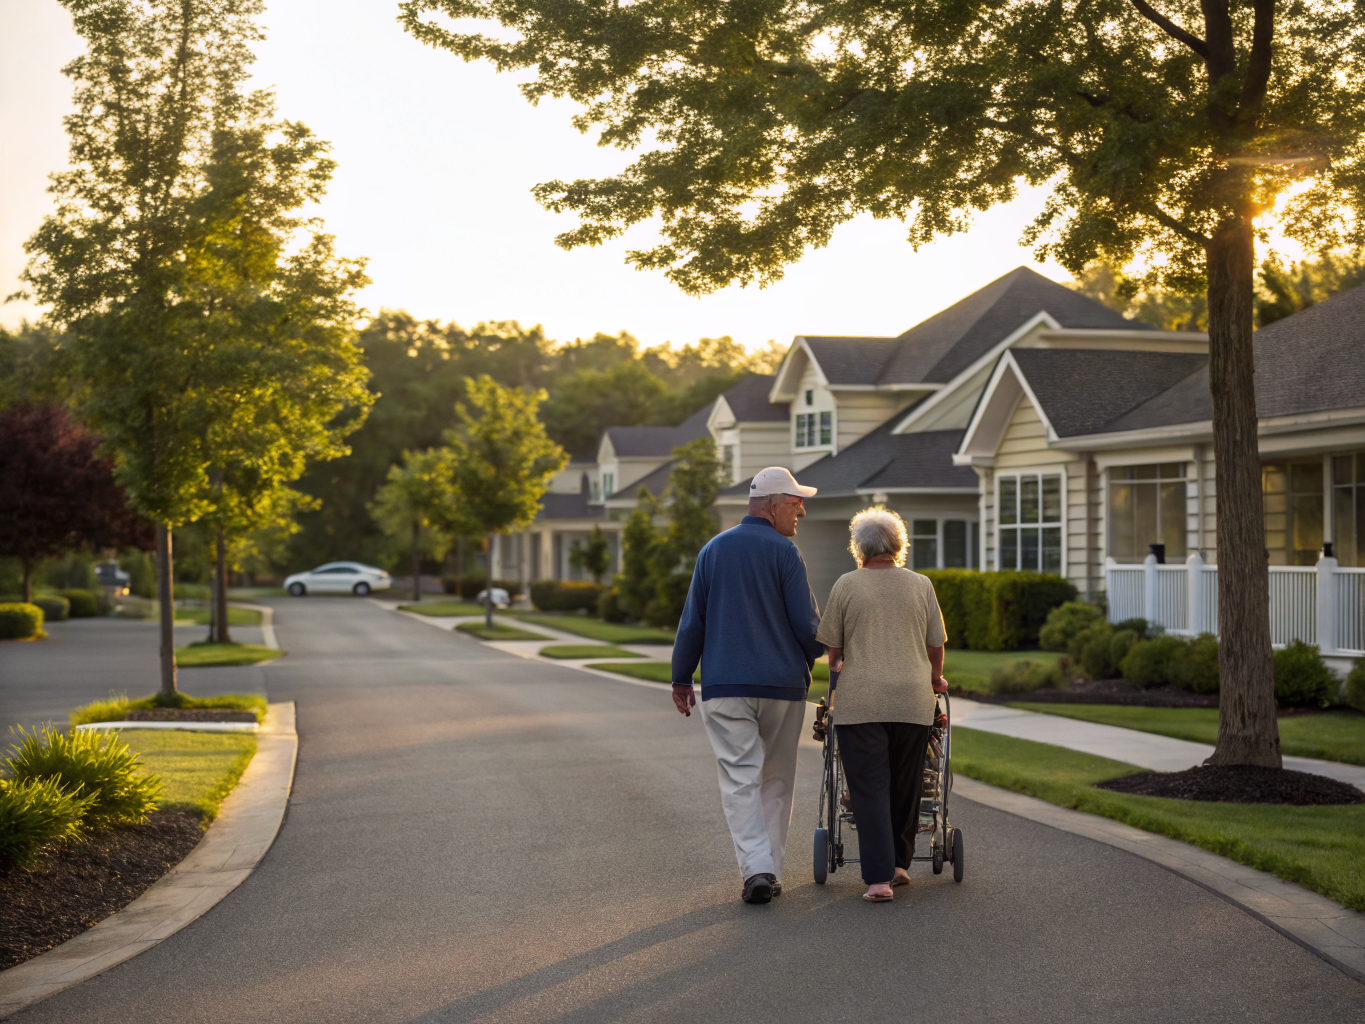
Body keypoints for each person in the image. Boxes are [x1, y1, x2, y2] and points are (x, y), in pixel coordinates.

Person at [671, 466, 825, 905]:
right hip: (782, 687)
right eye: (795, 504)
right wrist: (823, 649)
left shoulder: (713, 550)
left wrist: (682, 677)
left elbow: (693, 621)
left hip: (725, 686)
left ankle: (758, 869)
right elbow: (807, 626)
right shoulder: (786, 553)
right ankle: (767, 870)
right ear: (772, 505)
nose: (801, 512)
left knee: (739, 780)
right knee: (776, 779)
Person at [814, 506, 946, 902]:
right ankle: (900, 865)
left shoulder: (846, 585)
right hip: (912, 700)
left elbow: (834, 652)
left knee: (870, 788)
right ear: (898, 544)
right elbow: (935, 644)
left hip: (861, 703)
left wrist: (841, 665)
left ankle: (878, 880)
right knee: (907, 785)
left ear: (859, 547)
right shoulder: (921, 584)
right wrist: (935, 678)